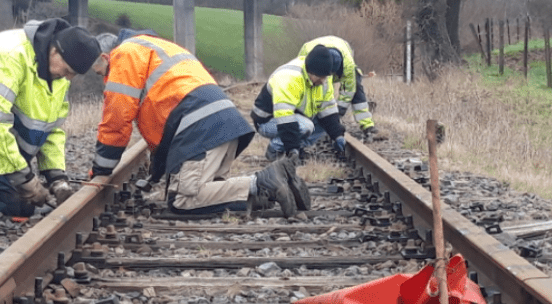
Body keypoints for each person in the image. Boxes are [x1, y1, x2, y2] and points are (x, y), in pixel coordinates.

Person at [91, 30, 310, 218]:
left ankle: (263, 181)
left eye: (102, 73)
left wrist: (101, 169)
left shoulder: (124, 54)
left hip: (200, 128)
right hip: (221, 123)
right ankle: (278, 188)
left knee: (183, 200)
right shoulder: (155, 47)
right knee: (210, 193)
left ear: (105, 56)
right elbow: (164, 128)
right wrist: (155, 175)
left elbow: (117, 119)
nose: (106, 80)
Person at [0, 18, 103, 217]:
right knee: (6, 205)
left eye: (72, 74)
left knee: (22, 206)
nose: (67, 78)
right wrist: (24, 179)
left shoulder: (57, 75)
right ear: (55, 50)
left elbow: (52, 129)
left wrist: (56, 176)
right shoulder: (9, 54)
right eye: (67, 71)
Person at [251, 44, 346, 162]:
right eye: (320, 77)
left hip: (294, 117)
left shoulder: (322, 79)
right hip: (267, 120)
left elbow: (328, 110)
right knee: (306, 126)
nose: (323, 81)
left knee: (322, 124)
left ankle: (293, 148)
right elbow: (285, 119)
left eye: (325, 77)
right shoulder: (290, 78)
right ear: (311, 71)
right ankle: (275, 149)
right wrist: (293, 149)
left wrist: (338, 135)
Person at [298, 36, 376, 141]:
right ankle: (311, 123)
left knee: (356, 85)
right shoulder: (308, 54)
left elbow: (349, 89)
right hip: (314, 61)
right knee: (314, 91)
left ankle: (367, 125)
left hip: (342, 50)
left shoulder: (348, 65)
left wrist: (338, 113)